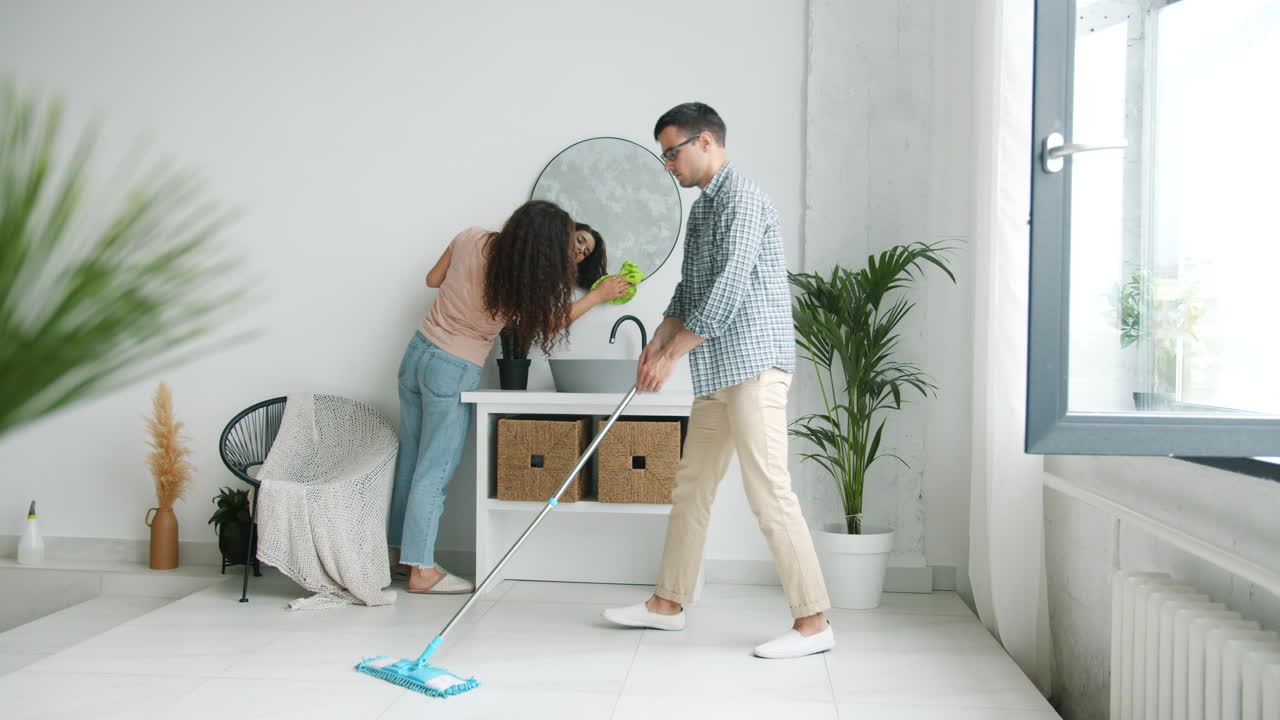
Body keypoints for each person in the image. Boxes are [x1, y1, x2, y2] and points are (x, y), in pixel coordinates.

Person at [602, 103, 835, 659]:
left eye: (672, 153)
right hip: (717, 368)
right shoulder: (703, 209)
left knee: (769, 490)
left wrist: (671, 357)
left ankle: (813, 623)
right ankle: (667, 604)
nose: (668, 165)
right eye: (664, 156)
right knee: (692, 486)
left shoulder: (745, 199)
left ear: (705, 141)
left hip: (754, 367)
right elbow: (691, 287)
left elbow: (728, 291)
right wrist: (660, 338)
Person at [388, 200, 632, 594]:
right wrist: (598, 295)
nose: (574, 249)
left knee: (412, 462)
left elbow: (433, 279)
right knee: (434, 471)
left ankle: (399, 558)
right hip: (453, 366)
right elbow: (549, 325)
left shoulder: (470, 236)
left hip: (417, 352)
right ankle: (421, 570)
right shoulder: (520, 281)